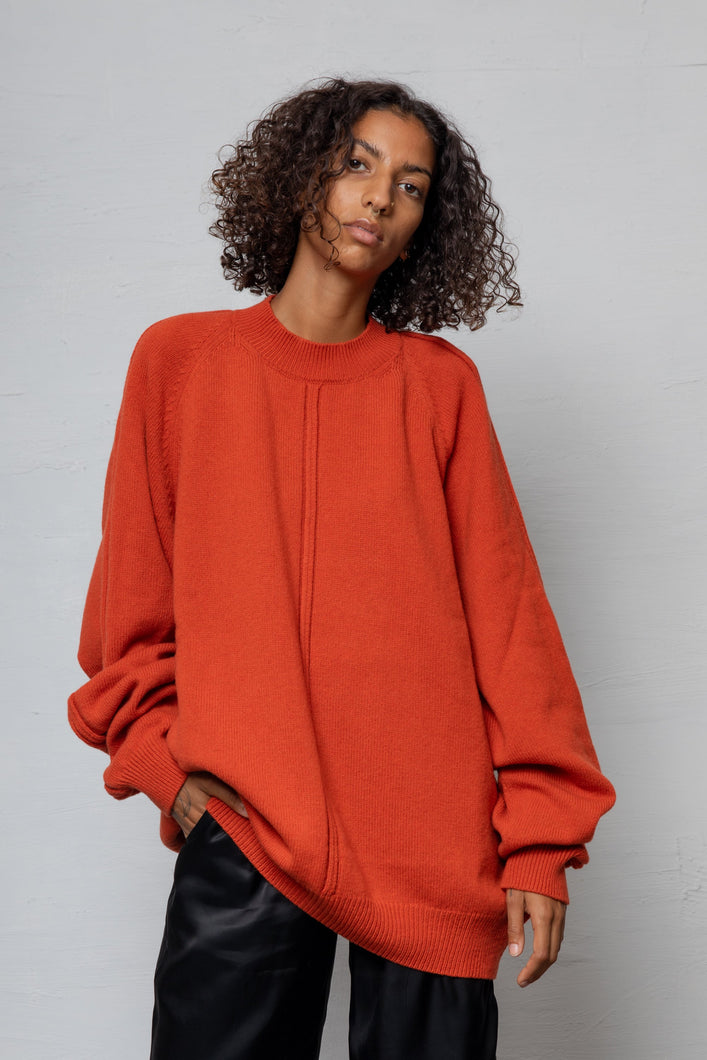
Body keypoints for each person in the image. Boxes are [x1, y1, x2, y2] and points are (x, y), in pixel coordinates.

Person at [67, 77, 616, 1060]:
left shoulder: (439, 389)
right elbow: (129, 615)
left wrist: (539, 839)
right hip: (247, 830)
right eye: (357, 164)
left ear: (423, 226)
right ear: (301, 175)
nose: (378, 197)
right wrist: (165, 766)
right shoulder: (179, 364)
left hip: (431, 851)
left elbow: (511, 627)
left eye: (409, 186)